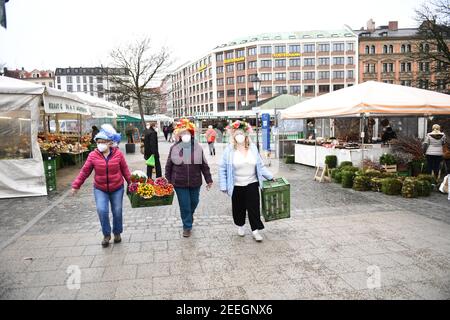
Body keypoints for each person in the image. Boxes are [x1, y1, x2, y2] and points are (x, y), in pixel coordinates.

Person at [71, 124, 130, 247]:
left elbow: (125, 170)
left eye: (103, 142)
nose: (100, 144)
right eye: (98, 142)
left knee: (117, 211)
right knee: (102, 210)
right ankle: (106, 235)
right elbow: (85, 171)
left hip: (117, 187)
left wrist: (133, 184)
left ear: (110, 143)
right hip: (100, 188)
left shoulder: (118, 154)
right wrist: (76, 185)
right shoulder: (93, 155)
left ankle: (117, 233)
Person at [219, 120, 274, 242]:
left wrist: (270, 176)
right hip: (236, 184)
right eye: (237, 134)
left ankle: (255, 230)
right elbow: (222, 168)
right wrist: (223, 185)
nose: (240, 136)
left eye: (242, 134)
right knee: (238, 208)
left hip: (252, 183)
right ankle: (240, 226)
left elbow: (260, 166)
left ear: (246, 135)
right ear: (233, 136)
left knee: (254, 207)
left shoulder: (253, 148)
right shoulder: (229, 150)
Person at [165, 118, 213, 238]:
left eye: (187, 133)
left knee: (194, 202)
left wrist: (209, 179)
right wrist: (168, 181)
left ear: (191, 134)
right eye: (182, 133)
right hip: (179, 182)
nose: (185, 135)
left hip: (195, 181)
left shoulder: (197, 147)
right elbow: (168, 166)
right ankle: (187, 226)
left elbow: (204, 164)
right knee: (184, 204)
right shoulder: (174, 148)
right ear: (179, 135)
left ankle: (189, 215)